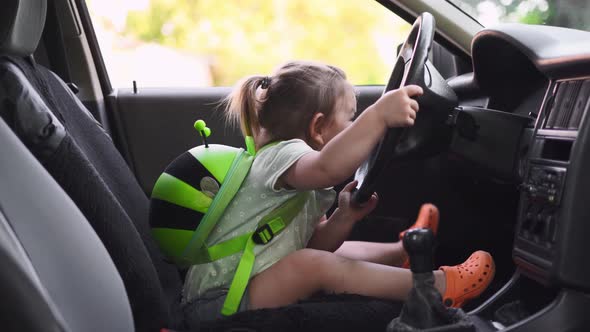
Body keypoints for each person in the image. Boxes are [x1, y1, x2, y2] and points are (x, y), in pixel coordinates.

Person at [181, 61, 495, 319]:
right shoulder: (280, 155)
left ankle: (402, 254)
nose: (356, 122)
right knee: (311, 266)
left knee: (321, 254)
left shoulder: (291, 171)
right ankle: (439, 286)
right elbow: (330, 166)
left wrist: (342, 219)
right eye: (351, 118)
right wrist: (378, 117)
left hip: (243, 286)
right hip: (219, 305)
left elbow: (315, 241)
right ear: (318, 128)